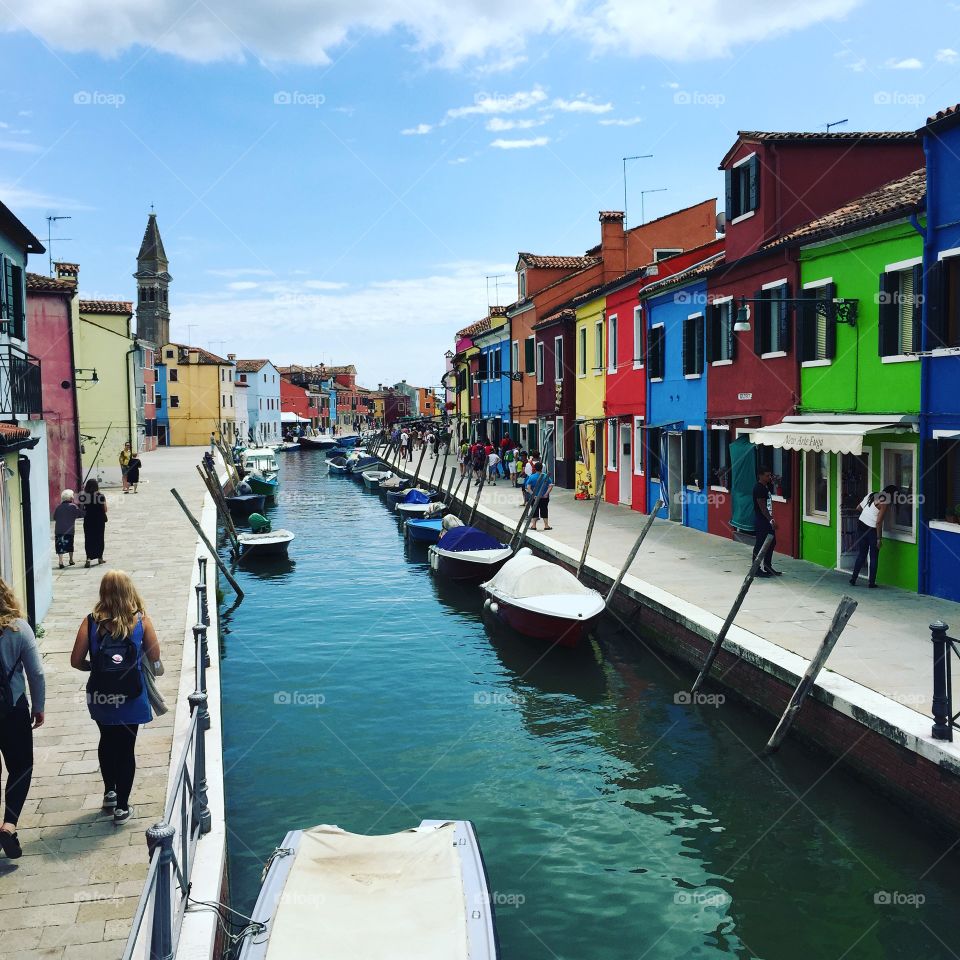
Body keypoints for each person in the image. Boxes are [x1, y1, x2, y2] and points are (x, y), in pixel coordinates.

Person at [70, 571, 159, 823]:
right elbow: (155, 657)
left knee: (107, 739)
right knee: (126, 748)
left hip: (101, 695)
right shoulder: (141, 621)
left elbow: (76, 661)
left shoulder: (90, 622)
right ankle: (122, 807)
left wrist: (96, 667)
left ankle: (109, 791)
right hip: (132, 695)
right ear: (129, 590)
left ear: (103, 591)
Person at [0, 579, 45, 858]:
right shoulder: (19, 628)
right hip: (12, 709)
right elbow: (36, 673)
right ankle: (9, 825)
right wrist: (38, 706)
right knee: (20, 767)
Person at [850, 485, 899, 588]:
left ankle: (853, 579)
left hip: (861, 525)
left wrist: (867, 516)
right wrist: (879, 539)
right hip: (871, 529)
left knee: (861, 554)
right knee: (873, 556)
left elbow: (858, 508)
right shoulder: (884, 502)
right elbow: (878, 522)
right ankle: (871, 583)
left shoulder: (871, 494)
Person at [752, 466, 781, 577]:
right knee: (760, 544)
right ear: (760, 475)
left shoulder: (765, 487)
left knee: (772, 542)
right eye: (767, 475)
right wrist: (771, 520)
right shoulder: (759, 488)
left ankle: (768, 566)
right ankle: (756, 569)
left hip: (766, 520)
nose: (769, 477)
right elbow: (762, 506)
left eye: (770, 475)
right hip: (762, 520)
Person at [53, 489, 83, 569]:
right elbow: (80, 514)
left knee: (60, 546)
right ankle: (71, 559)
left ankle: (60, 561)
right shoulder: (73, 506)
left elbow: (55, 517)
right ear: (70, 498)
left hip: (59, 529)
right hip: (69, 530)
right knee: (70, 545)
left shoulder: (58, 507)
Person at [82, 478, 108, 568]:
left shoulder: (84, 496)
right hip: (99, 520)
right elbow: (105, 509)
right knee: (99, 538)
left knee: (89, 538)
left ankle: (88, 558)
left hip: (88, 519)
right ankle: (100, 558)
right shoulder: (101, 496)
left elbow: (83, 507)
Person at [524, 461, 554, 531]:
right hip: (544, 497)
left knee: (534, 510)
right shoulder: (546, 476)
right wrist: (546, 494)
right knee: (544, 510)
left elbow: (528, 487)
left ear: (534, 468)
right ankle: (546, 525)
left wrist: (533, 494)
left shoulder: (531, 477)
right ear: (542, 468)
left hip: (534, 497)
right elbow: (550, 486)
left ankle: (534, 525)